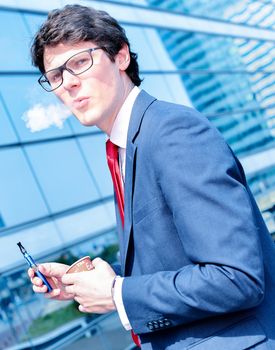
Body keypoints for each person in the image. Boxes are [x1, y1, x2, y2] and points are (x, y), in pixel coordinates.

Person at [28, 4, 275, 350]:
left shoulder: (173, 132)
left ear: (121, 57)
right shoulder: (126, 148)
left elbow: (236, 277)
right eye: (55, 76)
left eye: (80, 62)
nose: (68, 83)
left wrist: (117, 294)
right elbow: (171, 262)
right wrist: (86, 282)